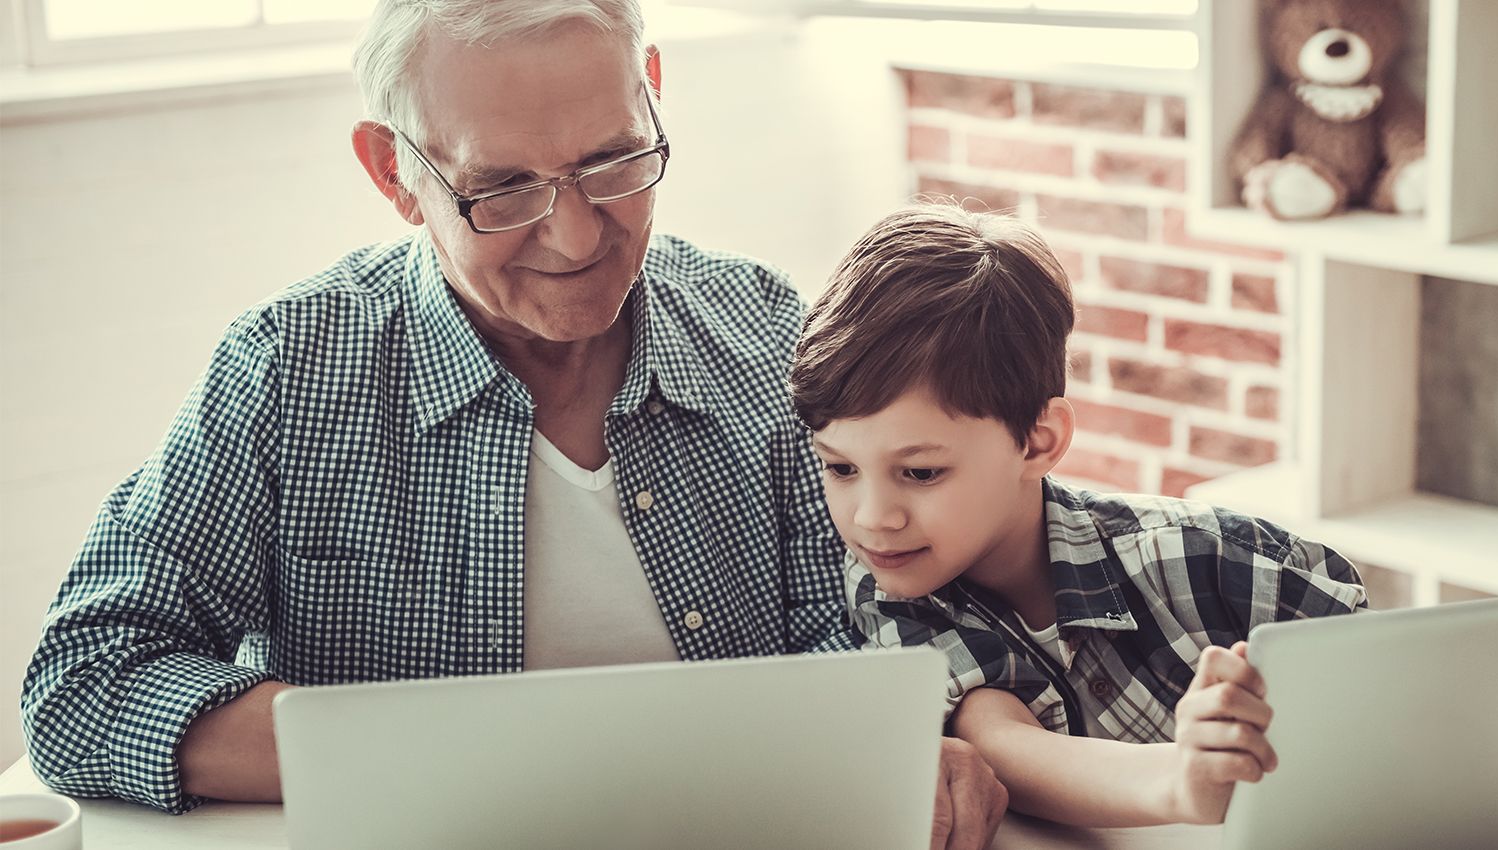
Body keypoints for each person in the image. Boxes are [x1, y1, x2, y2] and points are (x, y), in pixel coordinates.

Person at [18, 3, 1006, 846]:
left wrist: (923, 733)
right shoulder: (288, 368)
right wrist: (441, 758)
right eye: (501, 190)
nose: (575, 238)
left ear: (653, 92)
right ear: (393, 173)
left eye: (615, 162)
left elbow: (868, 628)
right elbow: (84, 677)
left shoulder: (762, 330)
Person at [787, 203, 1498, 826]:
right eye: (838, 466)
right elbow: (1006, 745)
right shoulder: (889, 599)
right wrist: (1182, 781)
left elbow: (1410, 712)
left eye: (921, 471)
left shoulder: (1216, 561)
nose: (872, 516)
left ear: (1040, 442)